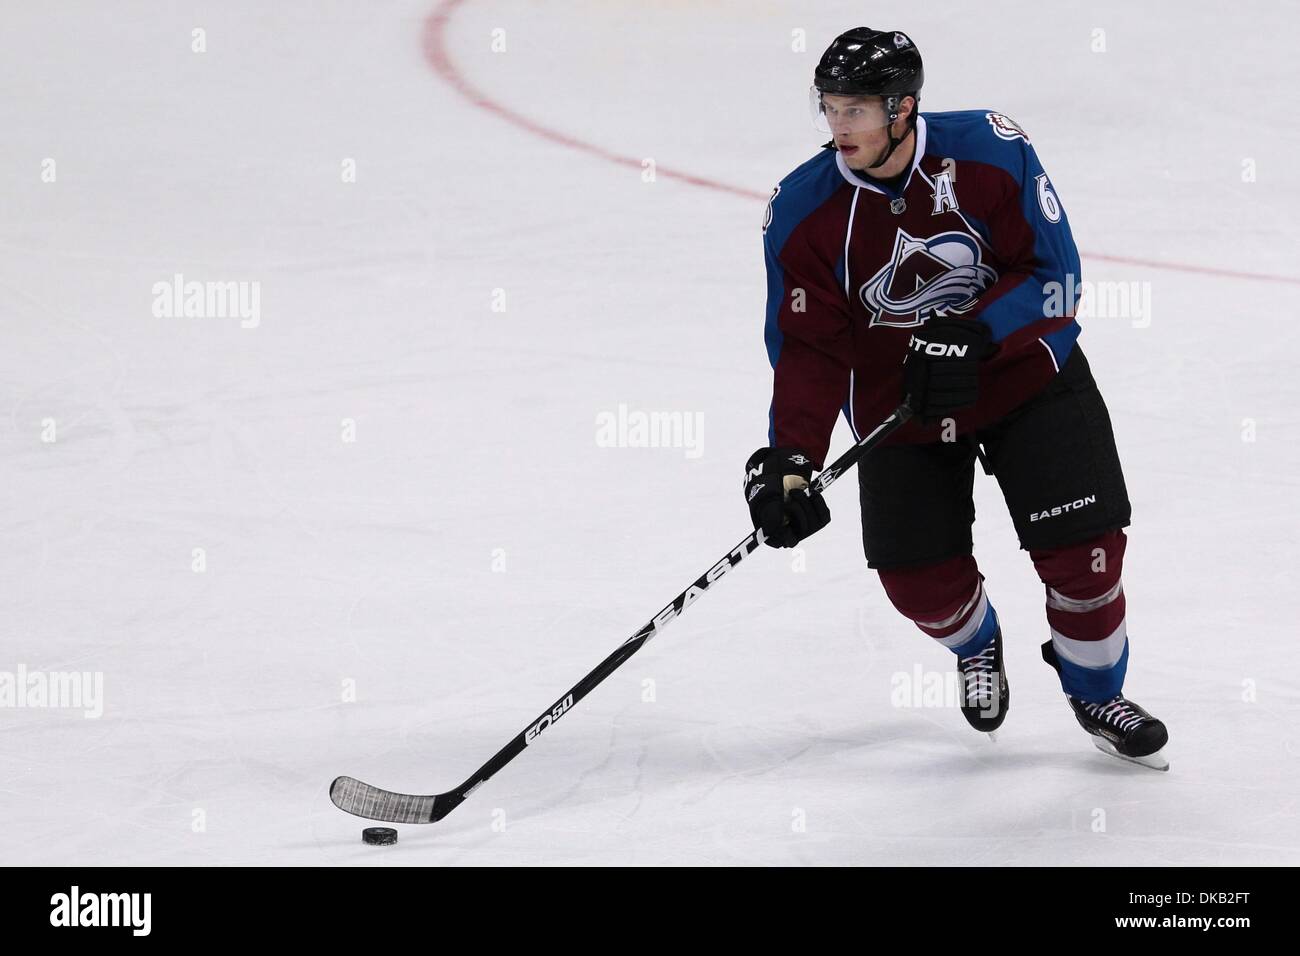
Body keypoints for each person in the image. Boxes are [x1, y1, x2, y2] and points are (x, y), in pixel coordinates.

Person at [743, 26, 1169, 769]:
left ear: (903, 108)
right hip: (901, 410)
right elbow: (808, 352)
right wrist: (790, 457)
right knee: (920, 586)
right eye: (830, 109)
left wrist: (976, 333)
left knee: (1087, 557)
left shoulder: (990, 153)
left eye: (857, 111)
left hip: (1025, 381)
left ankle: (1096, 689)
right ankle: (979, 643)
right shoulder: (803, 214)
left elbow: (1055, 276)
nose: (839, 127)